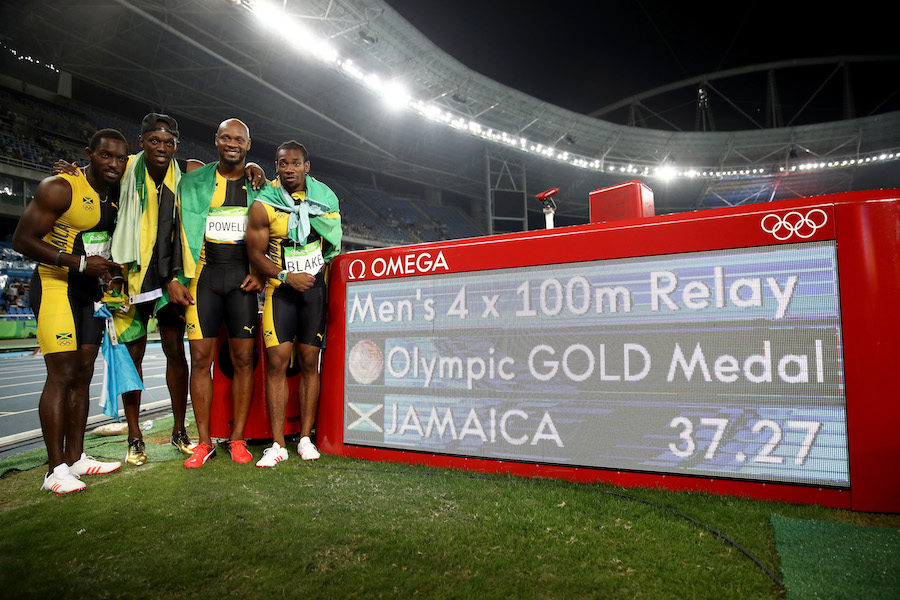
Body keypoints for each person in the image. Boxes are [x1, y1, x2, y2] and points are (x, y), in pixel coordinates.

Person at [54, 113, 267, 466]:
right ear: (141, 142)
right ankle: (135, 436)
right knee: (133, 354)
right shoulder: (125, 170)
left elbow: (238, 171)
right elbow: (98, 171)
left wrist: (254, 164)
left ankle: (181, 431)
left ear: (178, 145)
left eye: (169, 142)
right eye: (155, 141)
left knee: (175, 351)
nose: (162, 148)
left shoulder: (187, 170)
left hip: (175, 274)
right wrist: (72, 169)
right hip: (133, 273)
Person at [12, 129, 127, 494]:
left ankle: (76, 457)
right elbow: (22, 240)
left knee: (83, 374)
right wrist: (77, 263)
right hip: (55, 286)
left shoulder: (117, 194)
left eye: (121, 159)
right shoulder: (60, 187)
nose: (114, 164)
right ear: (89, 154)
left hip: (89, 294)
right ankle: (54, 470)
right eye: (106, 156)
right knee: (61, 375)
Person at [168, 118, 269, 468]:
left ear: (248, 144)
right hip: (203, 280)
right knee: (200, 360)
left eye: (238, 139)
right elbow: (170, 226)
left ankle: (238, 438)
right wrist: (173, 277)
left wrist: (262, 273)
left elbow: (276, 231)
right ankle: (204, 442)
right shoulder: (194, 181)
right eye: (225, 137)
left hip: (243, 281)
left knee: (244, 360)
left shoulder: (261, 186)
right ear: (216, 140)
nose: (232, 143)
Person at [246, 141, 341, 466]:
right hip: (281, 291)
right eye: (283, 163)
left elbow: (333, 243)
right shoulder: (264, 204)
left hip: (314, 291)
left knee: (309, 362)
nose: (289, 169)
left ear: (307, 166)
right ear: (276, 166)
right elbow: (255, 253)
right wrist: (287, 276)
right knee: (277, 363)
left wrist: (312, 273)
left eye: (295, 163)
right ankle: (276, 444)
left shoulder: (325, 198)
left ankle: (304, 438)